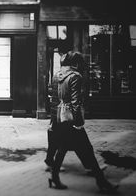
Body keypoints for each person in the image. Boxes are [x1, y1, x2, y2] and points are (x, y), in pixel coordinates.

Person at [48, 51, 118, 193]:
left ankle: (54, 177)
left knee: (62, 149)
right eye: (81, 63)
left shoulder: (57, 75)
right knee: (87, 150)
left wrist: (53, 120)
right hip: (71, 119)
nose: (82, 66)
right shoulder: (75, 76)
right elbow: (76, 102)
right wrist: (78, 123)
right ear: (76, 63)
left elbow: (54, 101)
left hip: (61, 117)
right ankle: (101, 181)